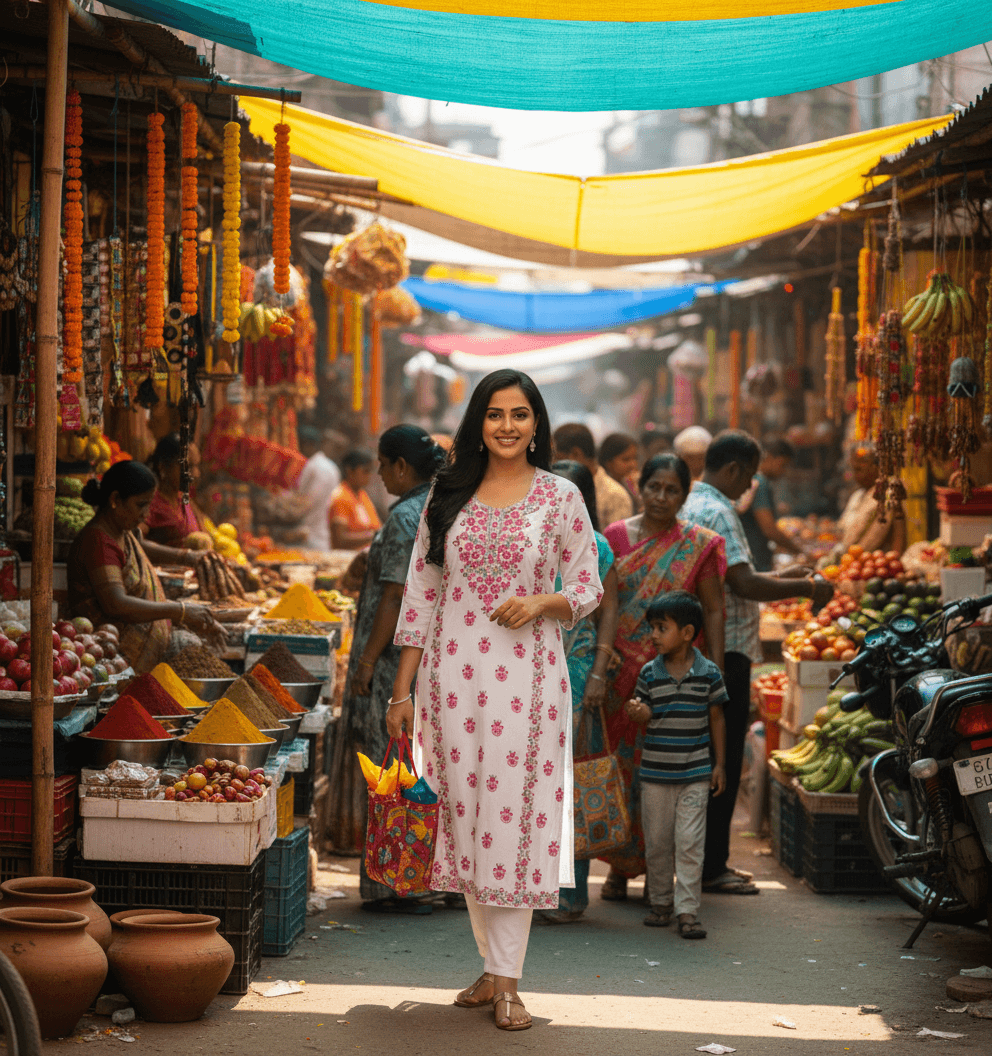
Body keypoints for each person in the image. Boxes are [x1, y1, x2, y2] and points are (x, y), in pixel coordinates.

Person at [388, 368, 603, 1031]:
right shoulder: (446, 495)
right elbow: (420, 595)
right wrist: (402, 688)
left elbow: (589, 584)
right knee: (469, 815)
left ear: (537, 423)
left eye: (519, 414)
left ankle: (510, 980)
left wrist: (545, 600)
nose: (506, 426)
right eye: (494, 414)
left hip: (529, 683)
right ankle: (489, 964)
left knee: (513, 820)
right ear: (477, 423)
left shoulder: (560, 497)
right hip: (451, 684)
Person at [680, 430, 833, 895]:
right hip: (727, 650)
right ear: (733, 470)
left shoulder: (692, 504)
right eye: (747, 476)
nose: (748, 486)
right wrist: (806, 588)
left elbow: (735, 578)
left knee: (703, 755)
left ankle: (701, 862)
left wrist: (784, 575)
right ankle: (712, 867)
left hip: (699, 646)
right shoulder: (720, 511)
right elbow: (743, 584)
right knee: (720, 756)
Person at [327, 426, 447, 912]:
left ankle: (397, 882)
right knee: (419, 767)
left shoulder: (403, 515)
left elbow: (396, 594)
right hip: (429, 658)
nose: (377, 473)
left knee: (389, 769)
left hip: (396, 663)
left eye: (382, 463)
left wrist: (369, 661)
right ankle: (420, 876)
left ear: (401, 466)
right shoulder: (440, 505)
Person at [599, 453, 726, 902]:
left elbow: (712, 607)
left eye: (672, 490)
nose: (661, 497)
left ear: (684, 495)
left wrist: (717, 668)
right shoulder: (614, 538)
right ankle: (619, 867)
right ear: (640, 486)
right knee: (622, 772)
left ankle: (660, 877)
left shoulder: (699, 544)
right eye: (654, 487)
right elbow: (604, 603)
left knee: (661, 778)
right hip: (619, 679)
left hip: (674, 678)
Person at [535, 460, 619, 925]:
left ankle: (569, 893)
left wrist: (600, 673)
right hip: (531, 671)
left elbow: (610, 609)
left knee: (569, 782)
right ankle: (534, 886)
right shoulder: (532, 537)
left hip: (578, 674)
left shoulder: (599, 546)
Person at [624, 590, 727, 939]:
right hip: (654, 774)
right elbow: (647, 711)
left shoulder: (709, 673)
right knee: (656, 843)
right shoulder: (649, 673)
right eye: (652, 627)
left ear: (686, 632)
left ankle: (687, 911)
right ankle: (661, 903)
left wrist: (720, 765)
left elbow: (716, 717)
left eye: (661, 627)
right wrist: (640, 712)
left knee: (689, 843)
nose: (653, 635)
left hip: (695, 773)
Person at [67, 462, 224, 674]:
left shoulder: (120, 531)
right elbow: (116, 604)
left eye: (149, 505)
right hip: (112, 660)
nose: (146, 514)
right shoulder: (98, 542)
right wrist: (181, 611)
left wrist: (190, 557)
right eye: (141, 505)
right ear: (115, 500)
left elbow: (141, 545)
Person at [826, 444, 907, 563]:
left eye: (859, 469)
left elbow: (873, 541)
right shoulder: (862, 495)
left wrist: (851, 560)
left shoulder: (887, 496)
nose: (855, 475)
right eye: (853, 469)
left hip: (870, 564)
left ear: (877, 468)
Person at [737, 437, 805, 573]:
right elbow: (769, 529)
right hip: (755, 561)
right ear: (769, 457)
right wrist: (798, 550)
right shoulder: (760, 483)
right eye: (783, 465)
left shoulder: (751, 478)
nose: (784, 471)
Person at [553, 422, 632, 528]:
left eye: (558, 458)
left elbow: (615, 542)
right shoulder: (559, 488)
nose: (554, 465)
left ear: (576, 454)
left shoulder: (615, 495)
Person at [144, 433, 204, 548]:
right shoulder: (149, 503)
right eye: (188, 467)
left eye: (197, 466)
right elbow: (135, 542)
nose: (196, 474)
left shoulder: (185, 500)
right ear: (163, 467)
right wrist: (180, 555)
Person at [294, 424, 342, 552]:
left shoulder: (314, 467)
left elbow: (305, 503)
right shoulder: (331, 467)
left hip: (307, 538)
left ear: (307, 444)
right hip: (321, 535)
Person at [329, 449, 382, 550]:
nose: (369, 476)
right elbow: (339, 540)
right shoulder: (341, 497)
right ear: (350, 471)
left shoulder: (362, 495)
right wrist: (374, 536)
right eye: (365, 471)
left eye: (370, 471)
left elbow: (376, 526)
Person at [598, 432, 640, 508]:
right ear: (608, 462)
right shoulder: (604, 490)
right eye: (626, 459)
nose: (633, 464)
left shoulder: (629, 483)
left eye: (635, 458)